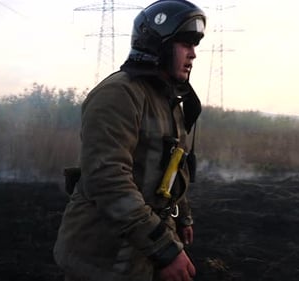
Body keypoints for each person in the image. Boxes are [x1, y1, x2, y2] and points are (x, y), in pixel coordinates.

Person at [54, 1, 206, 280]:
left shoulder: (169, 101)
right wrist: (164, 248)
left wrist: (182, 216)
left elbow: (174, 165)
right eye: (185, 44)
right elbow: (108, 178)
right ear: (157, 45)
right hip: (101, 257)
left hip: (141, 250)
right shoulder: (119, 94)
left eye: (194, 46)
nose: (193, 55)